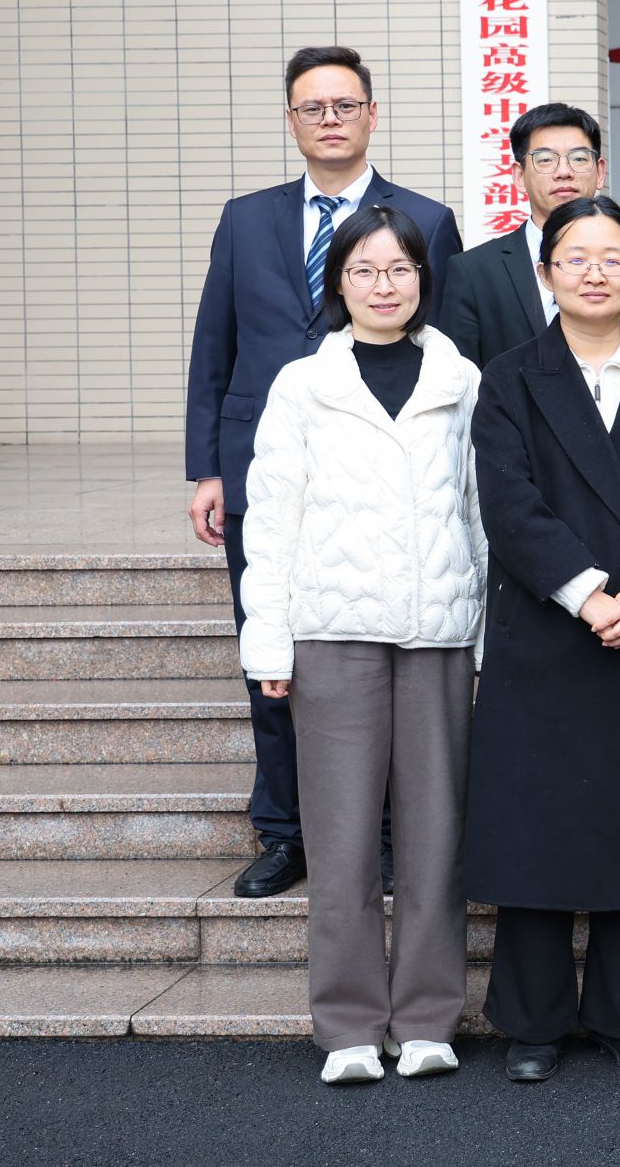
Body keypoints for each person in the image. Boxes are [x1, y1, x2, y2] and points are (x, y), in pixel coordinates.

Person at [186, 46, 462, 900]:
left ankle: (381, 834)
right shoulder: (245, 219)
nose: (330, 119)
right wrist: (207, 466)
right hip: (265, 467)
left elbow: (444, 349)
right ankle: (285, 830)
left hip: (385, 473)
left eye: (346, 105)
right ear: (292, 120)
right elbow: (214, 343)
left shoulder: (425, 219)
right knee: (273, 651)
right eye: (313, 107)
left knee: (384, 661)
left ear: (373, 114)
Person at [463, 196, 620, 1083]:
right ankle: (532, 1020)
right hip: (548, 624)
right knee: (537, 824)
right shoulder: (510, 377)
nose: (596, 272)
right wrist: (587, 594)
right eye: (576, 257)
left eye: (614, 257)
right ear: (546, 274)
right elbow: (509, 504)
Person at [237, 206, 484, 1085]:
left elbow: (479, 513)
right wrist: (268, 641)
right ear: (337, 283)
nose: (385, 285)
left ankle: (426, 1018)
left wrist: (485, 637)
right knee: (340, 838)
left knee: (435, 835)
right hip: (332, 633)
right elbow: (273, 517)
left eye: (400, 269)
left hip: (437, 631)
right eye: (365, 270)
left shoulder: (460, 378)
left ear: (423, 278)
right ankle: (346, 1024)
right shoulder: (303, 384)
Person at [436, 101, 620, 368]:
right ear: (519, 176)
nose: (564, 172)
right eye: (546, 160)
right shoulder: (473, 271)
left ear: (600, 172)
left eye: (578, 158)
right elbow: (460, 376)